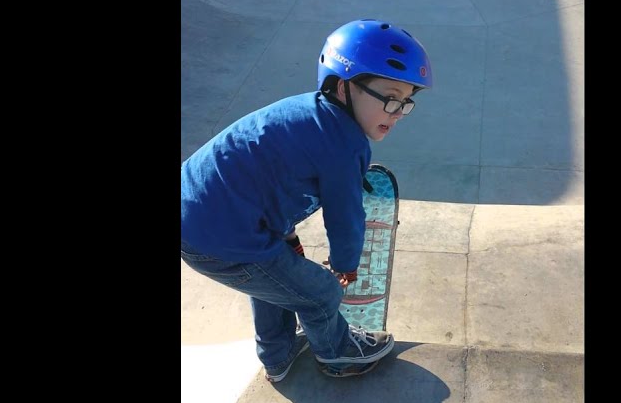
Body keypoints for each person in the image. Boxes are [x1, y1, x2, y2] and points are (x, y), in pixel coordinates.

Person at [181, 19, 433, 381]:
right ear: (345, 87)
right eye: (390, 99)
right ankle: (337, 354)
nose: (397, 114)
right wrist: (345, 266)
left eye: (405, 103)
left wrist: (286, 237)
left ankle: (277, 357)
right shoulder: (345, 143)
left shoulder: (310, 115)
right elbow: (345, 217)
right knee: (321, 293)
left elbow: (263, 181)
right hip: (221, 237)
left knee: (276, 282)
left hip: (204, 216)